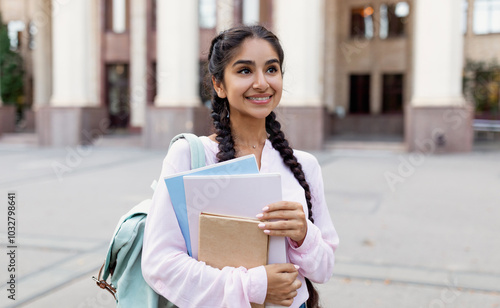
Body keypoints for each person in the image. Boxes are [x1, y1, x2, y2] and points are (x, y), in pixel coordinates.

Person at [142, 25, 339, 308]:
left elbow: (324, 269)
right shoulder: (189, 156)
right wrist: (255, 287)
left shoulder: (304, 166)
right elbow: (160, 264)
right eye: (245, 71)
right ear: (219, 85)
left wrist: (303, 234)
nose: (261, 83)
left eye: (272, 69)